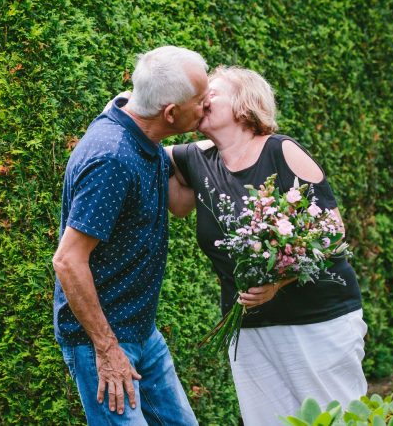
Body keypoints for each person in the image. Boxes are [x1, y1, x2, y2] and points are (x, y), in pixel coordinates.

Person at [165, 65, 366, 425]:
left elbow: (332, 233)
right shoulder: (193, 158)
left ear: (244, 104)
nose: (201, 98)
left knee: (337, 418)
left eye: (212, 91)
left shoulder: (281, 150)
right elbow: (142, 142)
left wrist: (278, 283)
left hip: (318, 319)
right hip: (249, 326)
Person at [52, 45, 209, 425]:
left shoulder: (140, 130)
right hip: (102, 340)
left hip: (141, 330)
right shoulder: (113, 158)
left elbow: (180, 203)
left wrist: (229, 147)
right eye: (202, 102)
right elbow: (68, 260)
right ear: (170, 113)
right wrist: (107, 350)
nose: (208, 107)